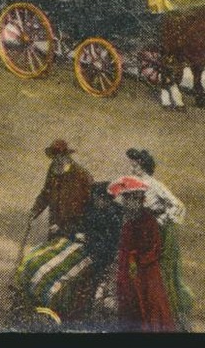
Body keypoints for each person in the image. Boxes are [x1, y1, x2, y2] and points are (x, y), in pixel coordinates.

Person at [124, 148, 192, 328]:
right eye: (132, 163)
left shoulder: (154, 185)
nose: (132, 167)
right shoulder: (131, 183)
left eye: (136, 164)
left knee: (156, 274)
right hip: (138, 230)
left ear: (144, 165)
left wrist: (160, 220)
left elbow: (178, 205)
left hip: (155, 234)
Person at [109, 177, 177, 331]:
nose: (129, 204)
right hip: (128, 270)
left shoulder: (148, 221)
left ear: (140, 201)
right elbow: (123, 246)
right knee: (127, 301)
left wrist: (138, 259)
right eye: (126, 200)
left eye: (133, 200)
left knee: (149, 305)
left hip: (146, 272)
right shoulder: (127, 222)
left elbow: (155, 248)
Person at [30, 139, 95, 238]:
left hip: (75, 224)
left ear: (65, 155)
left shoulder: (79, 174)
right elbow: (46, 193)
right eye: (54, 155)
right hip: (55, 221)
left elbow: (82, 201)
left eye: (59, 154)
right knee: (53, 249)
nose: (56, 158)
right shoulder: (53, 170)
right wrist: (35, 211)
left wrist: (65, 224)